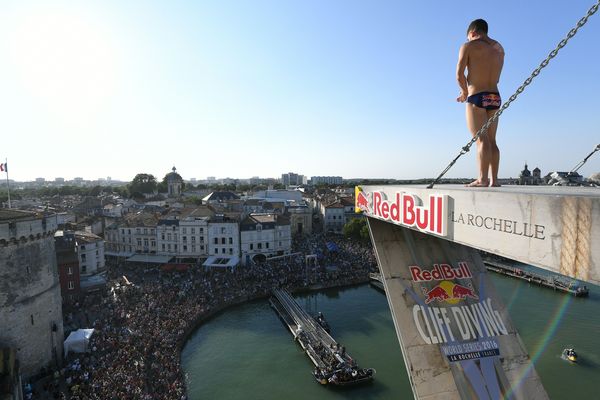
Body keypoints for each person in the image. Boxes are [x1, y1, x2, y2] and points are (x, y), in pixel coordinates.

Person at [456, 19, 505, 187]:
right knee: (492, 140)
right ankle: (494, 180)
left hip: (477, 95)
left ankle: (482, 179)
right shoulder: (499, 49)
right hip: (495, 96)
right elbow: (497, 77)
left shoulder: (468, 46)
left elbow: (459, 74)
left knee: (481, 140)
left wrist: (464, 92)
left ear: (473, 32)